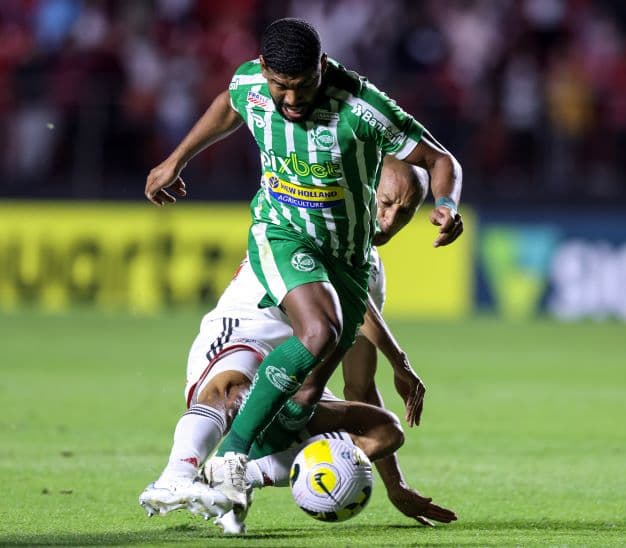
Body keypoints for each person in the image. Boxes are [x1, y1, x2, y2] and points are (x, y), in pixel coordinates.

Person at [143, 17, 463, 513]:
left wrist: (446, 203)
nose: (291, 100)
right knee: (316, 332)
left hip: (343, 261)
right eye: (280, 86)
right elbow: (230, 104)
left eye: (303, 86)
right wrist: (177, 160)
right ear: (264, 70)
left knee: (322, 395)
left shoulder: (362, 110)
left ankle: (241, 477)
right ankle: (217, 462)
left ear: (322, 67)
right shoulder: (251, 83)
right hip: (281, 233)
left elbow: (441, 159)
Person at [140, 157, 456, 530]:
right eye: (386, 204)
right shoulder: (318, 218)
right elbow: (347, 291)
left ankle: (241, 477)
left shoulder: (372, 273)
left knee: (384, 431)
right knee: (235, 393)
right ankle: (176, 476)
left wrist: (395, 485)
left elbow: (359, 384)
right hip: (247, 330)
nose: (389, 221)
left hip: (294, 374)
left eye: (404, 213)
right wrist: (399, 361)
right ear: (365, 191)